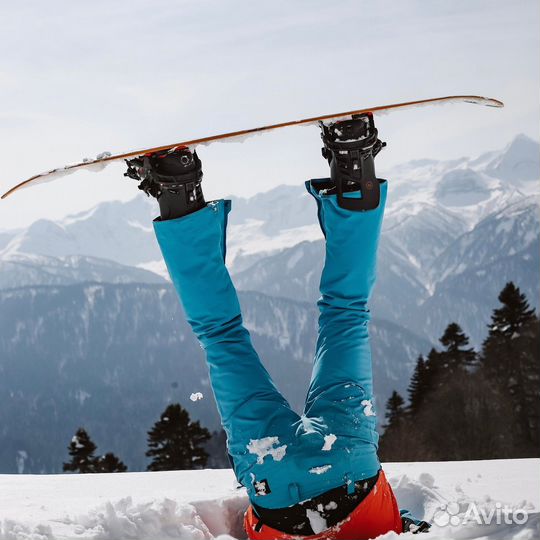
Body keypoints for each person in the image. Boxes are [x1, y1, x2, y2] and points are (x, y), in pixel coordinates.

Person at [125, 114, 430, 539]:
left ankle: (353, 156)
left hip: (351, 461)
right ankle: (176, 188)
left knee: (347, 310)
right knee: (220, 335)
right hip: (273, 476)